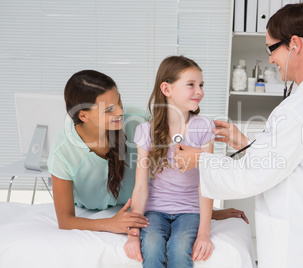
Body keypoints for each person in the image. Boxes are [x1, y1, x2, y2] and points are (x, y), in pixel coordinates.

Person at [174, 3, 303, 268]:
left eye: (272, 48)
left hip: (299, 249)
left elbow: (251, 176)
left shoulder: (301, 107)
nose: (270, 59)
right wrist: (243, 143)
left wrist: (200, 159)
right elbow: (301, 160)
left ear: (295, 44)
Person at [48, 70, 248, 236]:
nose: (119, 112)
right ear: (83, 115)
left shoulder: (138, 121)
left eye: (119, 102)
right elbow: (65, 220)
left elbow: (176, 167)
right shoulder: (63, 151)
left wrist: (207, 212)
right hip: (93, 210)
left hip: (149, 207)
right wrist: (109, 223)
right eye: (109, 109)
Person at [124, 56, 217, 267]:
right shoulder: (145, 131)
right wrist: (133, 232)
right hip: (155, 210)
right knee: (153, 244)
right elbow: (140, 186)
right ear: (167, 89)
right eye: (191, 85)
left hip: (190, 210)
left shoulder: (203, 127)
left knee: (180, 246)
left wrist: (204, 233)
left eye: (201, 85)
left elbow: (207, 183)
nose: (199, 91)